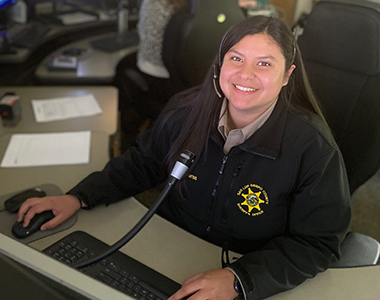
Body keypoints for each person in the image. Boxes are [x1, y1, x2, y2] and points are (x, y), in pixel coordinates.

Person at [18, 16, 351, 300]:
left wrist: (240, 280)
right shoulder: (186, 110)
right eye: (236, 59)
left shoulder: (312, 148)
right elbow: (143, 163)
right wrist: (79, 196)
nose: (245, 75)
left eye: (264, 63)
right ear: (220, 63)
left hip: (246, 268)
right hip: (166, 251)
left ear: (287, 74)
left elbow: (317, 243)